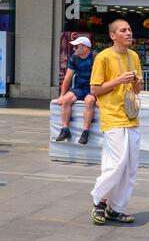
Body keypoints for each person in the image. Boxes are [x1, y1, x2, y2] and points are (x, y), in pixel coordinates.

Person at [89, 19, 143, 225]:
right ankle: (99, 201)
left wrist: (136, 83)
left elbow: (137, 90)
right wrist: (119, 80)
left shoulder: (134, 56)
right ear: (113, 35)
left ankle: (117, 208)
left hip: (131, 116)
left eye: (129, 29)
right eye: (123, 30)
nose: (128, 33)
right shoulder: (103, 57)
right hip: (112, 116)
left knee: (130, 167)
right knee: (116, 164)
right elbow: (95, 90)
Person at [56, 36, 96, 145]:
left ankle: (85, 132)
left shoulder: (95, 58)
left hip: (92, 88)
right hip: (79, 88)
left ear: (85, 47)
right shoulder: (74, 58)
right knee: (66, 100)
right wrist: (62, 95)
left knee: (89, 101)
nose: (74, 49)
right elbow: (67, 77)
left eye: (76, 47)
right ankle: (65, 129)